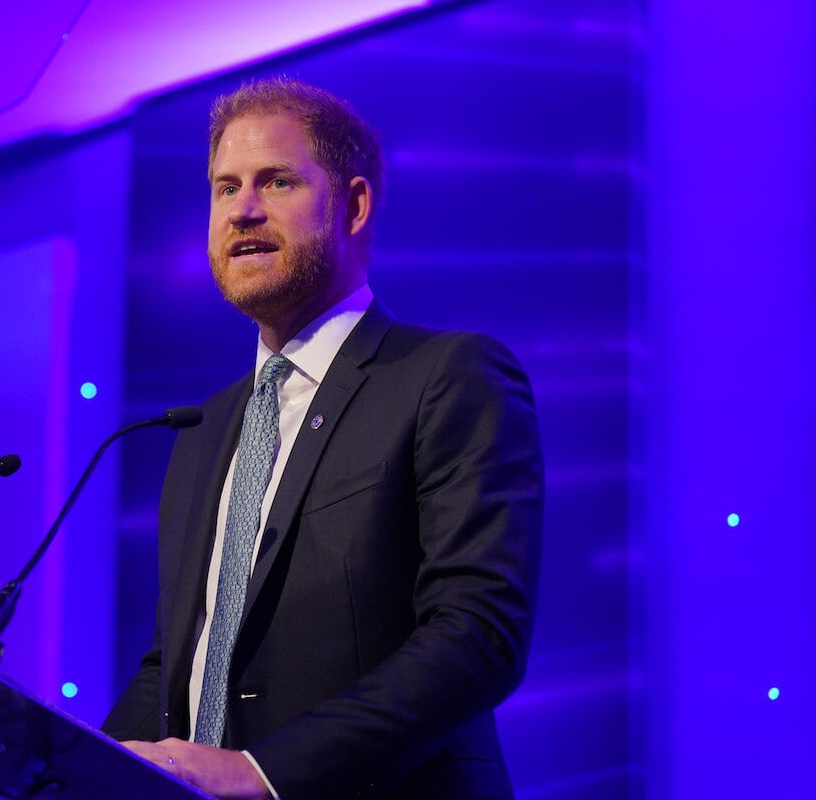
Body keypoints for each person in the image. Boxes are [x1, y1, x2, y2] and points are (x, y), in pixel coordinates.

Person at [102, 77, 543, 800]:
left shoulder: (445, 375)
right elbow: (174, 669)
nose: (243, 209)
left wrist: (262, 773)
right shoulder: (203, 430)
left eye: (276, 182)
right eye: (224, 187)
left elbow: (478, 634)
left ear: (354, 204)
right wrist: (58, 779)